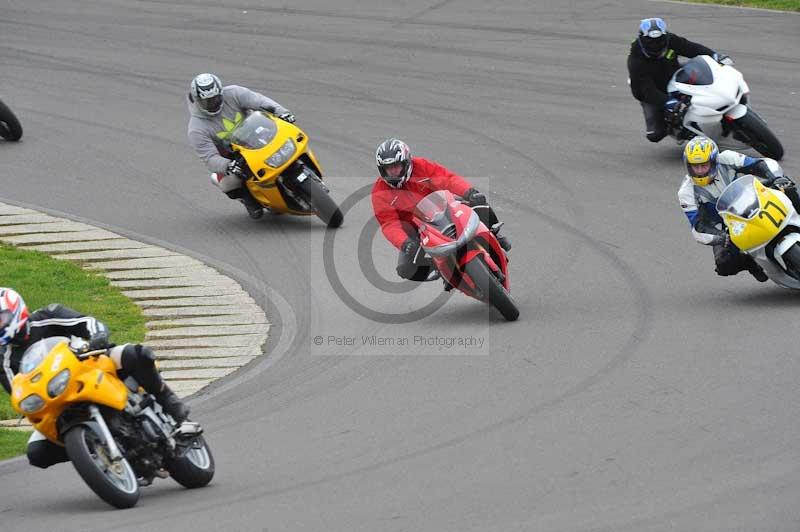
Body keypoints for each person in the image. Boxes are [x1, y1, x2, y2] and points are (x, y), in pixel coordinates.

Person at [0, 287, 189, 469]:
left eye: (1, 319)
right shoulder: (3, 359)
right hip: (57, 393)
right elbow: (17, 389)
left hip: (90, 362)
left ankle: (168, 401)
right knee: (37, 452)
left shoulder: (48, 315)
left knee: (135, 354)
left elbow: (87, 322)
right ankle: (90, 449)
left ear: (17, 309)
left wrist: (97, 335)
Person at [371, 138, 510, 289]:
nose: (393, 171)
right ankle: (443, 269)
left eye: (396, 166)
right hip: (417, 229)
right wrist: (405, 243)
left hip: (443, 209)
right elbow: (389, 223)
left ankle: (495, 233)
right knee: (405, 269)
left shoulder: (422, 166)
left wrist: (469, 192)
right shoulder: (379, 192)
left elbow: (447, 179)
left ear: (406, 162)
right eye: (388, 168)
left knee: (478, 200)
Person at [677, 137, 799, 281]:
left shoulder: (727, 158)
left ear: (714, 161)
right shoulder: (686, 192)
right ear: (688, 166)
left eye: (704, 165)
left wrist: (776, 177)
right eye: (695, 167)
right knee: (724, 264)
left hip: (752, 199)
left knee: (787, 187)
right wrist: (721, 236)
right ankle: (753, 263)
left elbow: (760, 164)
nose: (700, 171)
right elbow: (698, 227)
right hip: (726, 225)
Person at [187, 72, 296, 219]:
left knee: (290, 140)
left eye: (215, 98)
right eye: (207, 102)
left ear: (221, 92)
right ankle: (247, 199)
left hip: (258, 134)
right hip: (234, 156)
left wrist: (282, 112)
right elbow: (209, 158)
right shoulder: (196, 128)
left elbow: (260, 101)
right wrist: (228, 165)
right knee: (228, 184)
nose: (212, 104)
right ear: (197, 100)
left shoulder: (234, 93)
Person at [628, 17, 732, 143]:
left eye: (659, 40)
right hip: (653, 89)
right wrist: (666, 101)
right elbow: (644, 90)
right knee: (655, 134)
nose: (655, 45)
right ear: (642, 39)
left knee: (707, 77)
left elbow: (690, 48)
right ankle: (682, 131)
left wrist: (714, 55)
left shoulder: (670, 40)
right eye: (651, 41)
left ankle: (724, 107)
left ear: (664, 37)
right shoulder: (635, 59)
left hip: (675, 76)